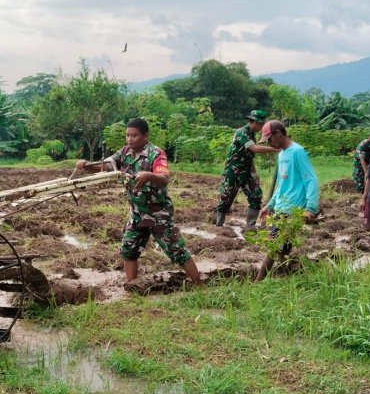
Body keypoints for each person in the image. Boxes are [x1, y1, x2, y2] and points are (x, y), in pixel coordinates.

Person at [76, 118, 203, 287]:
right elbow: (104, 168)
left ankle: (199, 284)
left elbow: (164, 178)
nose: (129, 139)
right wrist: (85, 166)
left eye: (134, 136)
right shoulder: (123, 153)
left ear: (145, 136)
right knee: (129, 250)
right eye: (127, 135)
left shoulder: (156, 154)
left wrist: (148, 175)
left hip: (157, 213)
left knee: (176, 250)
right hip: (137, 213)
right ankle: (133, 287)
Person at [255, 120, 319, 282]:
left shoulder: (298, 152)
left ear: (279, 134)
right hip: (281, 209)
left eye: (270, 139)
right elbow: (282, 186)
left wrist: (310, 208)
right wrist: (269, 205)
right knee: (282, 250)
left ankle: (257, 282)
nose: (269, 143)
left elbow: (310, 180)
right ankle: (296, 279)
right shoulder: (282, 154)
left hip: (293, 210)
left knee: (274, 247)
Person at [214, 109, 280, 228]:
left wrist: (254, 172)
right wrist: (275, 149)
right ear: (254, 121)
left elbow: (250, 155)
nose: (261, 127)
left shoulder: (252, 135)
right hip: (233, 171)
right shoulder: (241, 133)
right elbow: (254, 149)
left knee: (256, 195)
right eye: (260, 124)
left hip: (246, 171)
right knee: (226, 198)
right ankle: (218, 225)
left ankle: (250, 226)